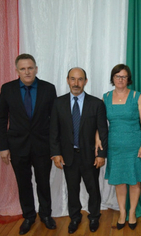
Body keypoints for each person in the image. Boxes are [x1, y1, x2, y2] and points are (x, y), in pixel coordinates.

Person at [0, 54, 57, 235]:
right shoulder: (7, 89)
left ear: (36, 68)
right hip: (17, 146)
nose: (27, 71)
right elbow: (1, 119)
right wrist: (3, 147)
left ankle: (46, 215)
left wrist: (55, 147)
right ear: (17, 71)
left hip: (42, 146)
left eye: (30, 68)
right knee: (24, 184)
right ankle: (29, 216)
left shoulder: (48, 88)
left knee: (43, 182)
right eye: (22, 68)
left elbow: (54, 120)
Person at [50, 67, 108, 234]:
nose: (76, 83)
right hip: (68, 156)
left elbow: (103, 131)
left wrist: (101, 155)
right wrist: (56, 153)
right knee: (72, 188)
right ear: (67, 80)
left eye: (80, 79)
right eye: (73, 79)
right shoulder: (58, 103)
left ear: (86, 81)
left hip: (90, 156)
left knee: (93, 188)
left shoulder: (96, 104)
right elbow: (54, 130)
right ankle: (75, 217)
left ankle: (94, 216)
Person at [101, 64, 141, 230]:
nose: (120, 79)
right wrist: (97, 140)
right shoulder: (105, 97)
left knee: (134, 181)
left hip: (135, 146)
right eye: (117, 76)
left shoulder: (137, 96)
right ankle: (122, 212)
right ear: (113, 78)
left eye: (124, 76)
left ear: (128, 79)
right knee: (120, 181)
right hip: (115, 147)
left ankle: (133, 212)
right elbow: (100, 124)